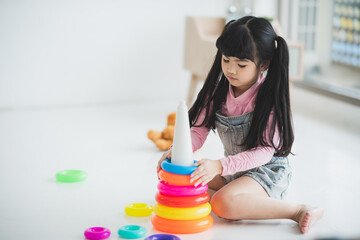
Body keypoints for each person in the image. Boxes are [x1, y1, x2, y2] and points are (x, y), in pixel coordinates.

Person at [157, 16, 323, 234]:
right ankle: (235, 193)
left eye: (241, 64)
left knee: (221, 204)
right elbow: (198, 131)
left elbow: (264, 153)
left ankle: (297, 210)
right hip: (234, 172)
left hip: (266, 172)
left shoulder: (268, 99)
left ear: (264, 64)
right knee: (186, 175)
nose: (231, 70)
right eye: (226, 60)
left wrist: (219, 165)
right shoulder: (217, 92)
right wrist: (176, 152)